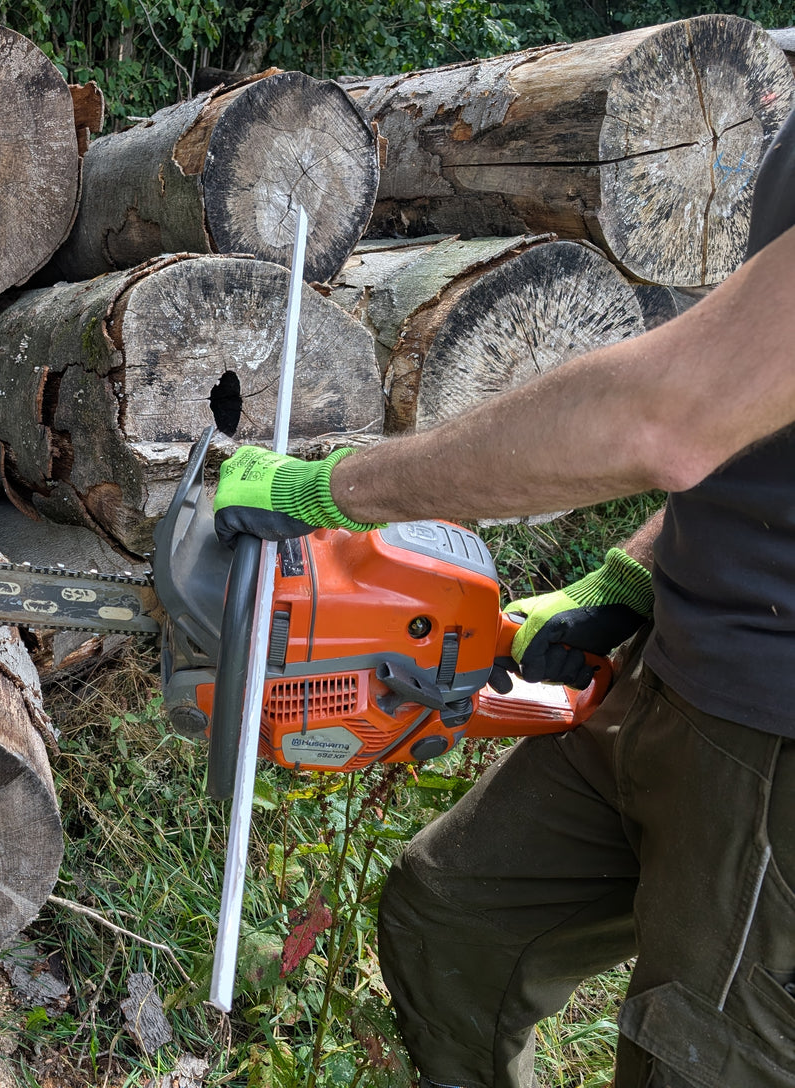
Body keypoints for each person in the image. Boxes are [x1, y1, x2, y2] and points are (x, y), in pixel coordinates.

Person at [212, 109, 795, 1088]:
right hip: (678, 656)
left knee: (689, 1060)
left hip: (773, 743)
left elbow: (674, 410)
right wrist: (626, 577)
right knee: (452, 921)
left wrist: (331, 490)